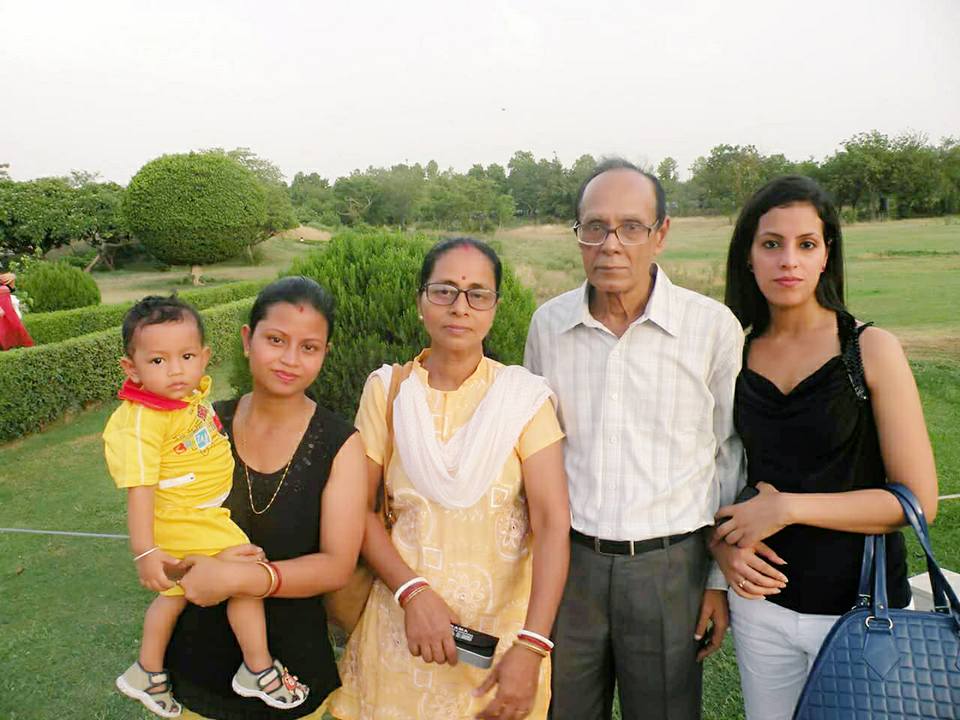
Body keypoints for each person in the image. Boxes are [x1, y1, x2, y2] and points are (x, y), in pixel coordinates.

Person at [524, 158, 744, 720]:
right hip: (570, 566)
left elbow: (730, 455)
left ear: (661, 234)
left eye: (631, 227)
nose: (610, 244)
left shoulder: (711, 327)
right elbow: (533, 451)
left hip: (671, 568)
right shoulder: (548, 326)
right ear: (578, 235)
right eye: (594, 227)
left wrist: (716, 581)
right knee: (564, 709)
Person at [712, 175, 938, 720]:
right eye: (771, 244)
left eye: (805, 244)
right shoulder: (731, 354)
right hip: (761, 609)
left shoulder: (869, 350)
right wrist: (722, 548)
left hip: (861, 609)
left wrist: (788, 506)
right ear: (748, 256)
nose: (788, 260)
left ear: (825, 256)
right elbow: (717, 475)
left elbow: (916, 502)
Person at [328, 237, 571, 720]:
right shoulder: (387, 391)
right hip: (402, 631)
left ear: (494, 308)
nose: (460, 306)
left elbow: (551, 523)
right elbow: (361, 511)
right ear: (421, 302)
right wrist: (413, 594)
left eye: (477, 293)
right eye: (444, 291)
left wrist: (532, 647)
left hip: (502, 646)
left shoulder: (522, 399)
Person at [161, 277, 367, 719]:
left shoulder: (340, 444)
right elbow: (165, 523)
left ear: (324, 354)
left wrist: (240, 579)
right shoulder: (201, 426)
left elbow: (336, 564)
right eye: (276, 340)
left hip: (293, 675)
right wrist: (174, 561)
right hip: (197, 667)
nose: (290, 359)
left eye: (309, 347)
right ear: (247, 340)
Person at [104, 295, 312, 717]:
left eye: (185, 356)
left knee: (173, 596)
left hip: (200, 513)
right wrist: (145, 551)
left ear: (204, 357)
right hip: (186, 518)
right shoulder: (144, 420)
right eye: (158, 361)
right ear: (132, 368)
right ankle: (256, 667)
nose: (176, 370)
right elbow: (140, 488)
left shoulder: (186, 397)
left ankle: (147, 670)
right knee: (246, 573)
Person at [0, 273, 33, 350]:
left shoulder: (4, 290)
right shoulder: (4, 290)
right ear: (9, 282)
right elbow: (8, 310)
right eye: (13, 282)